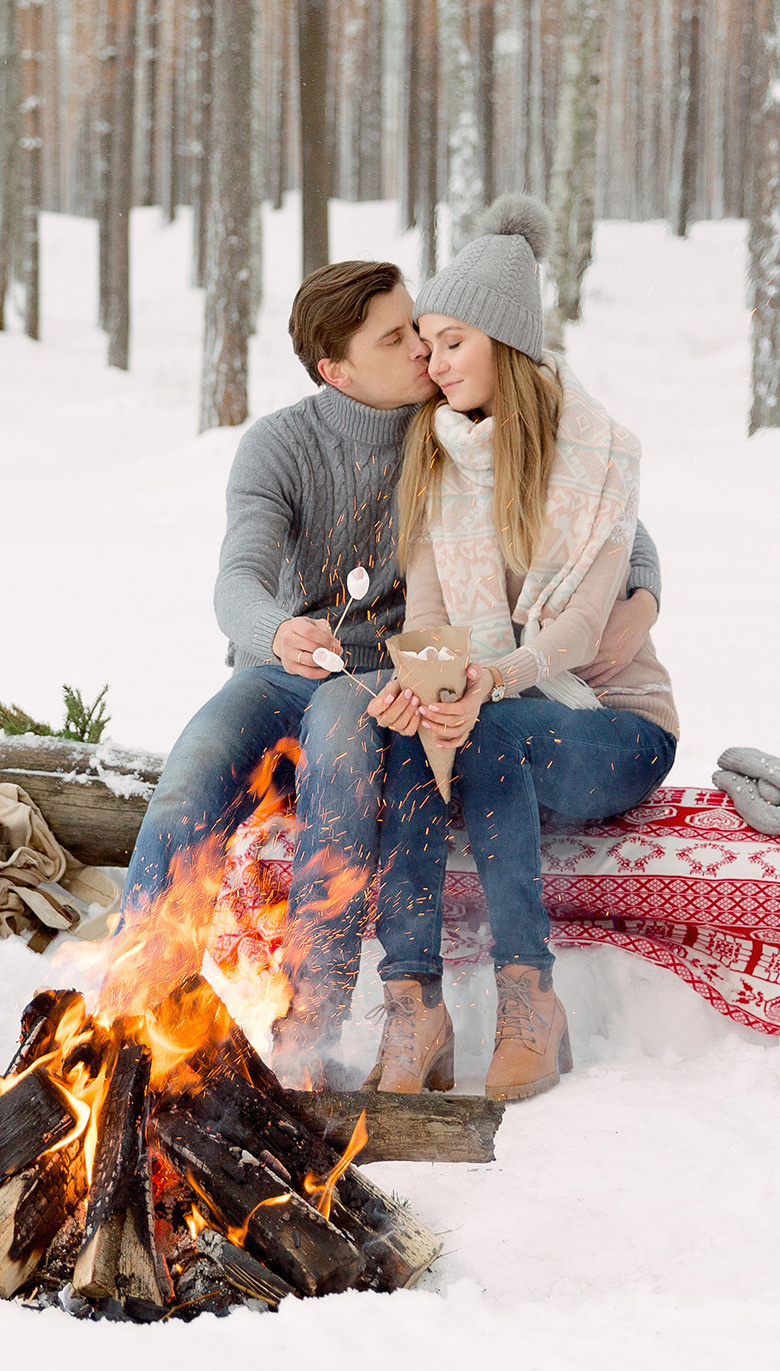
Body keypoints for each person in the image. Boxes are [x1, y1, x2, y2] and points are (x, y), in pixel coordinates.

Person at [105, 250, 664, 1034]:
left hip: (384, 681)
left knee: (340, 739)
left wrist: (644, 588)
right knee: (189, 776)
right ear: (338, 371)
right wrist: (273, 629)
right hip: (280, 669)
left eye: (424, 330)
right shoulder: (279, 446)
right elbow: (237, 577)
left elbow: (598, 500)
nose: (424, 351)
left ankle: (313, 1016)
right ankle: (129, 1006)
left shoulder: (453, 425)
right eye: (398, 338)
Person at [296, 194, 679, 1103]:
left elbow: (582, 630)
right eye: (424, 340)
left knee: (492, 731)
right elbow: (426, 613)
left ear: (507, 339)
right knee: (417, 729)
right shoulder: (436, 453)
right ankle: (413, 1003)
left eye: (453, 340)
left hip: (611, 723)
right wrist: (429, 689)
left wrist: (486, 682)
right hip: (493, 709)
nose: (432, 360)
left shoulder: (598, 457)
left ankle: (528, 1000)